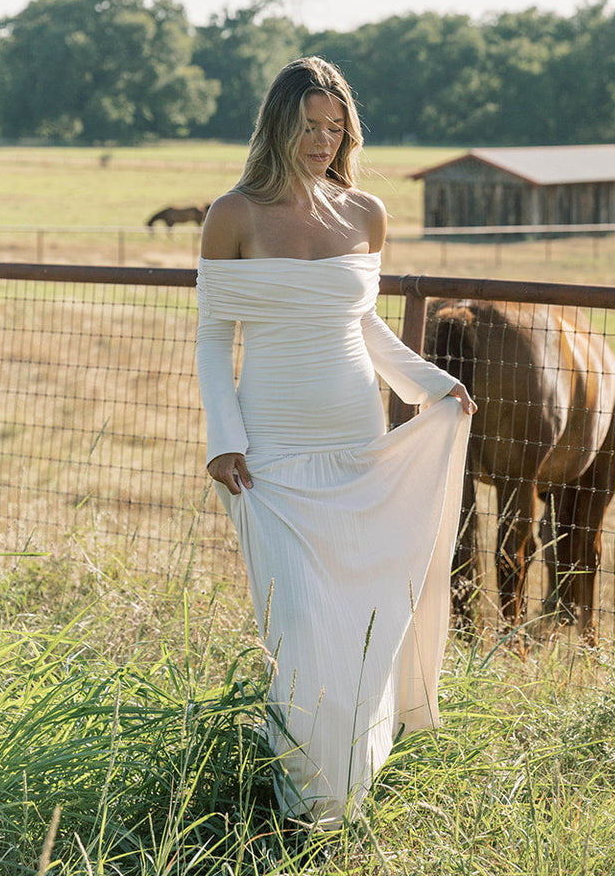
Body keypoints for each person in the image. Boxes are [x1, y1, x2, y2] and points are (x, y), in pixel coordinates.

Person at [196, 57, 475, 828]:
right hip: (270, 455)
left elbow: (362, 322)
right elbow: (214, 337)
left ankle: (337, 801)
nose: (323, 141)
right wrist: (224, 438)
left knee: (362, 625)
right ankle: (306, 800)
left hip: (359, 445)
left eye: (335, 128)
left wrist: (431, 385)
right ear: (277, 127)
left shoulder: (365, 214)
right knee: (300, 627)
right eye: (309, 126)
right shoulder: (233, 215)